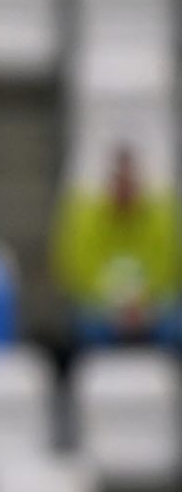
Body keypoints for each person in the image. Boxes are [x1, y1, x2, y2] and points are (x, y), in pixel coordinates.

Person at [51, 145, 182, 349]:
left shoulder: (161, 218)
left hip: (152, 303)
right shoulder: (87, 219)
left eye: (129, 182)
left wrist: (144, 301)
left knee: (174, 324)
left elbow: (168, 266)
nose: (124, 189)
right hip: (101, 305)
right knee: (85, 324)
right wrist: (115, 303)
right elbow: (79, 268)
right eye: (119, 182)